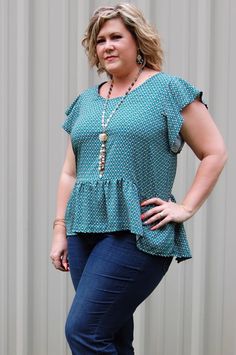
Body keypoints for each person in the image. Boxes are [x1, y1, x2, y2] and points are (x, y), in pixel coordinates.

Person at [50, 3, 227, 354]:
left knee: (84, 331)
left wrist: (186, 207)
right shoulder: (85, 101)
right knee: (111, 336)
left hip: (137, 229)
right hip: (82, 229)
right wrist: (59, 229)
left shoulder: (168, 90)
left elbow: (215, 152)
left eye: (117, 36)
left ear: (138, 41)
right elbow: (70, 170)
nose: (108, 46)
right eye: (100, 40)